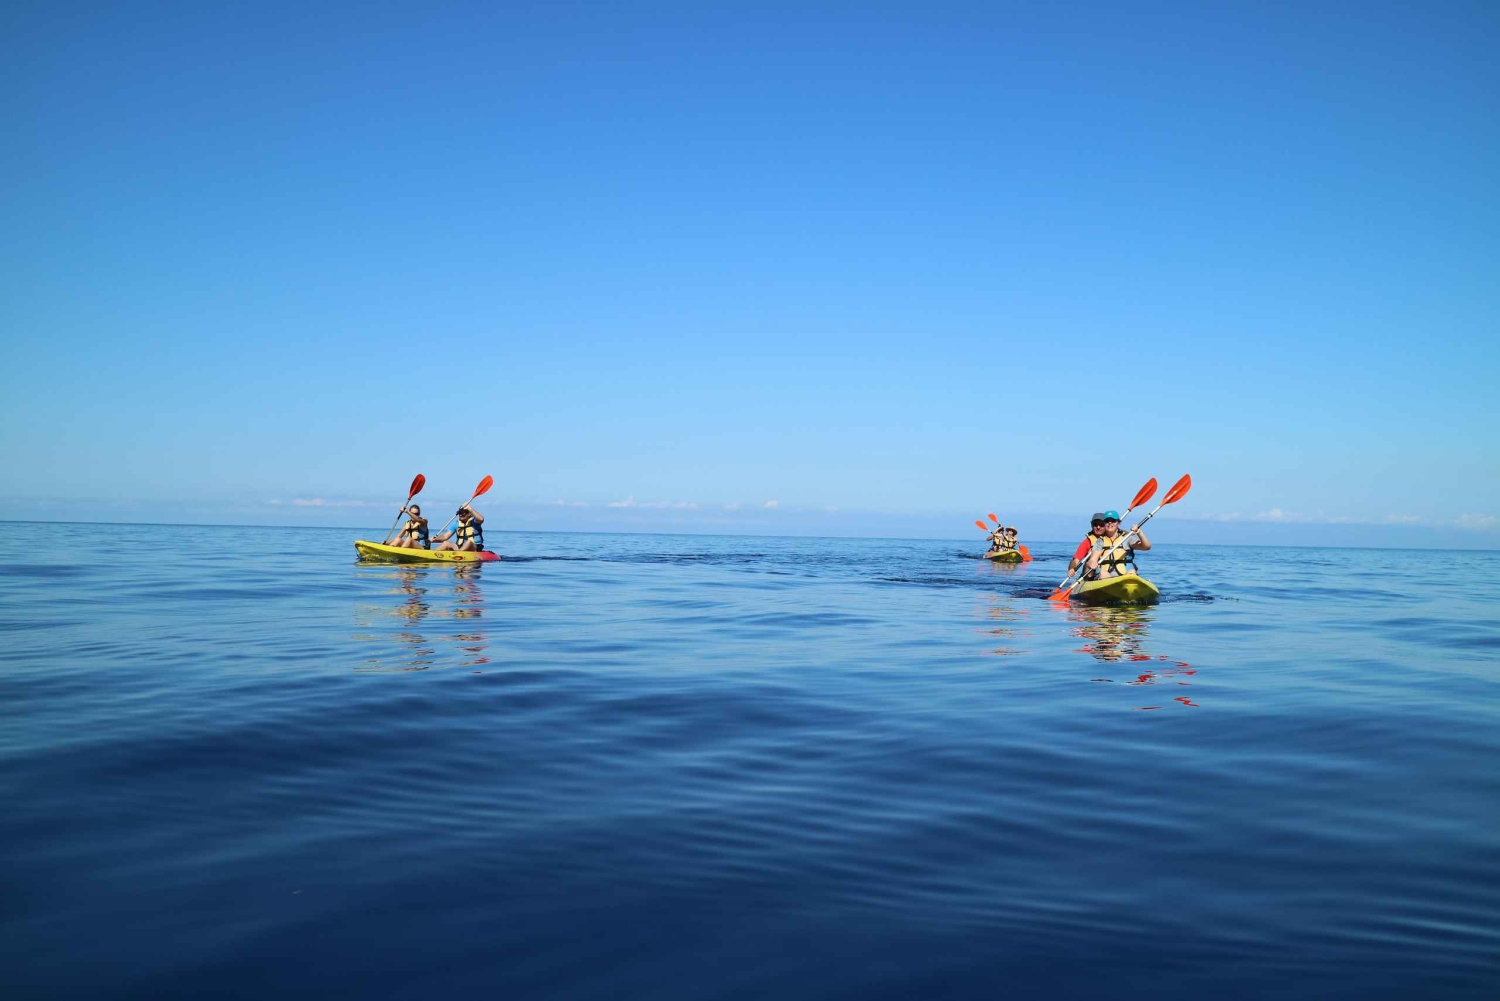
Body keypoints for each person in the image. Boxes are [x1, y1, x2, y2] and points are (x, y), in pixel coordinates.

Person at [1068, 510, 1151, 579]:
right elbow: (1088, 559)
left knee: (1132, 572)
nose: (1098, 527)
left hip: (1124, 574)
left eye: (1113, 521)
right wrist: (1091, 563)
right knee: (1102, 573)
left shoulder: (1126, 537)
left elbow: (1147, 547)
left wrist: (1139, 533)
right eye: (1107, 521)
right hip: (1103, 575)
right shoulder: (1098, 541)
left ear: (1118, 523)